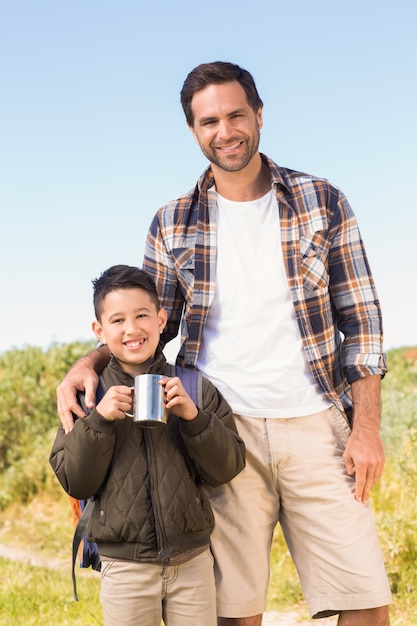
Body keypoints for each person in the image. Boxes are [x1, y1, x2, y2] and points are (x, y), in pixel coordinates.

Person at [56, 62, 392, 625]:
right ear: (194, 131)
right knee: (234, 614)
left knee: (365, 603)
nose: (226, 130)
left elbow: (362, 321)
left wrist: (367, 429)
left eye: (237, 114)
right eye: (209, 120)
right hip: (217, 430)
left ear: (259, 115)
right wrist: (85, 362)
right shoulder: (172, 222)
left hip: (317, 426)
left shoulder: (321, 200)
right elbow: (146, 324)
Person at [50, 264, 245, 626]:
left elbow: (227, 468)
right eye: (117, 320)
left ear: (161, 319)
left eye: (142, 315)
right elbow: (76, 481)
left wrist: (193, 417)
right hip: (125, 568)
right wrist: (99, 421)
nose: (132, 329)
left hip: (193, 563)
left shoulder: (195, 388)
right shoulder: (86, 396)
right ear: (99, 330)